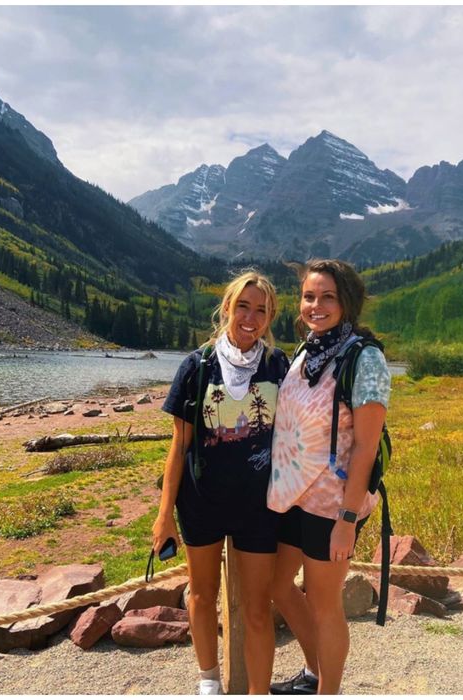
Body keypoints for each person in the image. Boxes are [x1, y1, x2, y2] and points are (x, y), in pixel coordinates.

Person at [152, 270, 288, 695]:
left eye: (261, 310)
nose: (251, 317)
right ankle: (208, 680)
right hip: (201, 502)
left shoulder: (277, 365)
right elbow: (179, 447)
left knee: (257, 608)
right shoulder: (196, 366)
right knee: (201, 595)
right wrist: (163, 517)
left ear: (270, 318)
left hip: (257, 507)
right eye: (243, 306)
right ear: (227, 308)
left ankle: (258, 692)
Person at [268, 259, 391, 695]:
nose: (315, 305)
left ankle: (329, 691)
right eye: (308, 296)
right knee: (280, 587)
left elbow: (365, 445)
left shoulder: (365, 357)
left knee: (324, 605)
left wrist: (346, 518)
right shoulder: (308, 349)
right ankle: (313, 672)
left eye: (328, 297)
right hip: (293, 495)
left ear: (348, 302)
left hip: (332, 503)